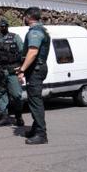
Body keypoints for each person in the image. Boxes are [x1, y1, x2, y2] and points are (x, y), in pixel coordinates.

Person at [16, 7, 51, 145]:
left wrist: (22, 69)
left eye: (24, 17)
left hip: (36, 70)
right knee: (34, 100)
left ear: (28, 17)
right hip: (37, 68)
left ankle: (41, 134)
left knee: (35, 101)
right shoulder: (41, 30)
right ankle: (36, 128)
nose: (23, 19)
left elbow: (33, 52)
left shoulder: (35, 31)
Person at [0, 18, 24, 127]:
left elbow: (23, 54)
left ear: (7, 26)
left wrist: (22, 70)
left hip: (12, 71)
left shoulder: (15, 37)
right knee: (1, 94)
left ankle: (18, 116)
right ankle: (4, 117)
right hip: (0, 71)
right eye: (1, 26)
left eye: (4, 26)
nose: (3, 28)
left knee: (16, 95)